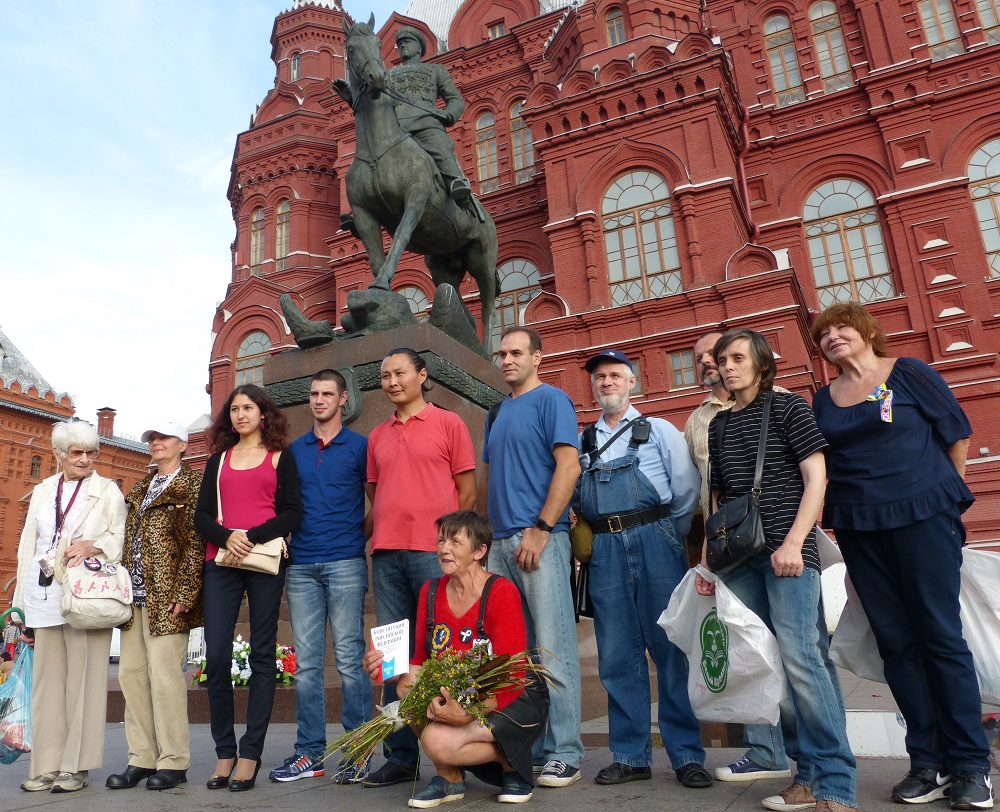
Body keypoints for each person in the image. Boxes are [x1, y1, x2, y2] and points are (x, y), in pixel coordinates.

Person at [810, 303, 993, 810]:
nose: (833, 336)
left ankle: (972, 766)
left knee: (939, 635)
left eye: (842, 327)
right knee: (896, 644)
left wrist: (945, 500)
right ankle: (926, 762)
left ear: (868, 332)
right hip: (860, 527)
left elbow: (956, 437)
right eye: (823, 334)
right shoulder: (823, 400)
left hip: (923, 516)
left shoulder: (908, 372)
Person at [695, 329, 857, 812]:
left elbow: (816, 478)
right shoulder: (718, 427)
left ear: (762, 365)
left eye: (738, 357)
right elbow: (720, 503)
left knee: (802, 660)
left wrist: (793, 542)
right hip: (741, 559)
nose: (727, 366)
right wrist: (707, 563)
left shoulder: (788, 408)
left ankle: (835, 781)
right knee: (772, 668)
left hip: (789, 555)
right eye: (722, 359)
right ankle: (803, 775)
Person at [574, 349, 712, 788]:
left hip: (656, 541)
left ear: (633, 382)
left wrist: (662, 534)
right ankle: (631, 756)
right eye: (600, 377)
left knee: (671, 649)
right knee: (617, 656)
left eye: (615, 375)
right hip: (605, 550)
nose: (607, 382)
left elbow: (686, 491)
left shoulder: (660, 431)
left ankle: (687, 755)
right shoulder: (584, 441)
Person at [364, 511, 549, 807]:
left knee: (437, 741)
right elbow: (421, 662)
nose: (444, 549)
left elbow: (512, 675)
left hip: (510, 699)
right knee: (406, 685)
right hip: (457, 695)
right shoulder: (431, 591)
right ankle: (449, 777)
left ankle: (512, 764)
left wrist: (464, 714)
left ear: (479, 551)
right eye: (440, 541)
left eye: (455, 542)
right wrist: (384, 667)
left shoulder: (501, 592)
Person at [684, 330, 796, 785]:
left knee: (795, 649)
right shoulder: (698, 420)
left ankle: (808, 753)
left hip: (780, 542)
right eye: (700, 358)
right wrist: (709, 556)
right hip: (730, 546)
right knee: (748, 646)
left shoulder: (780, 399)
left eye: (719, 354)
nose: (710, 362)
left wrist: (798, 539)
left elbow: (807, 472)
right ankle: (766, 750)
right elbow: (705, 492)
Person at [363, 348, 477, 788]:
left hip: (434, 556)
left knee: (442, 651)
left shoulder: (449, 423)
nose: (391, 381)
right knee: (394, 660)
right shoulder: (377, 436)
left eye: (400, 373)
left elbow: (466, 492)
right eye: (385, 375)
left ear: (421, 375)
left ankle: (453, 751)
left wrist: (451, 548)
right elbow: (377, 493)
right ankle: (400, 755)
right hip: (388, 553)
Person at [479, 326, 584, 788]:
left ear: (537, 357)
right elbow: (487, 480)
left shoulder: (553, 400)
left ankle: (566, 751)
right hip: (499, 543)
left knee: (554, 648)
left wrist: (542, 530)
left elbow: (569, 465)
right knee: (515, 656)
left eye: (516, 352)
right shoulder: (496, 412)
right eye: (501, 353)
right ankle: (534, 746)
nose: (507, 360)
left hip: (539, 540)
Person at [194, 384, 302, 792]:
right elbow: (202, 515)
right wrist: (227, 538)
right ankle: (225, 750)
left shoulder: (280, 458)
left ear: (263, 414)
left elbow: (293, 512)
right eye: (234, 409)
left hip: (264, 559)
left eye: (248, 408)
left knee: (261, 653)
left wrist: (250, 536)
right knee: (217, 655)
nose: (240, 414)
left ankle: (250, 753)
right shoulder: (218, 460)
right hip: (220, 560)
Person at [268, 369, 372, 785]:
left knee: (349, 661)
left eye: (327, 394)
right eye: (313, 394)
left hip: (346, 561)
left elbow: (377, 502)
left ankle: (359, 750)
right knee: (307, 666)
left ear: (343, 399)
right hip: (302, 566)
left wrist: (353, 536)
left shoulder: (361, 447)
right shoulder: (293, 451)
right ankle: (309, 753)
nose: (319, 400)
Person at [13, 421, 126, 793]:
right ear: (60, 455)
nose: (84, 459)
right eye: (76, 452)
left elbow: (118, 538)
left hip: (84, 595)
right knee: (46, 684)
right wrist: (20, 607)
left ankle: (75, 767)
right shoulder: (44, 489)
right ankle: (46, 764)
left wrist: (94, 544)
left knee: (84, 684)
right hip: (43, 594)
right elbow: (29, 546)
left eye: (90, 452)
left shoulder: (106, 490)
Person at [106, 421, 206, 791]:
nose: (156, 444)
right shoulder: (141, 488)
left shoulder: (193, 486)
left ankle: (174, 762)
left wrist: (185, 591)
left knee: (166, 681)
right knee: (131, 678)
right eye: (152, 439)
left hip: (169, 600)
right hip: (132, 600)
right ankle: (142, 758)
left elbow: (197, 542)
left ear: (181, 444)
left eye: (163, 438)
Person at [332, 26, 471, 204]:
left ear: (419, 48)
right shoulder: (387, 76)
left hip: (426, 126)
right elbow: (372, 104)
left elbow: (455, 99)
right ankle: (364, 202)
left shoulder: (436, 71)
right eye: (399, 43)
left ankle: (456, 183)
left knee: (441, 145)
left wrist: (449, 114)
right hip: (396, 132)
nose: (402, 45)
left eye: (407, 42)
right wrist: (351, 97)